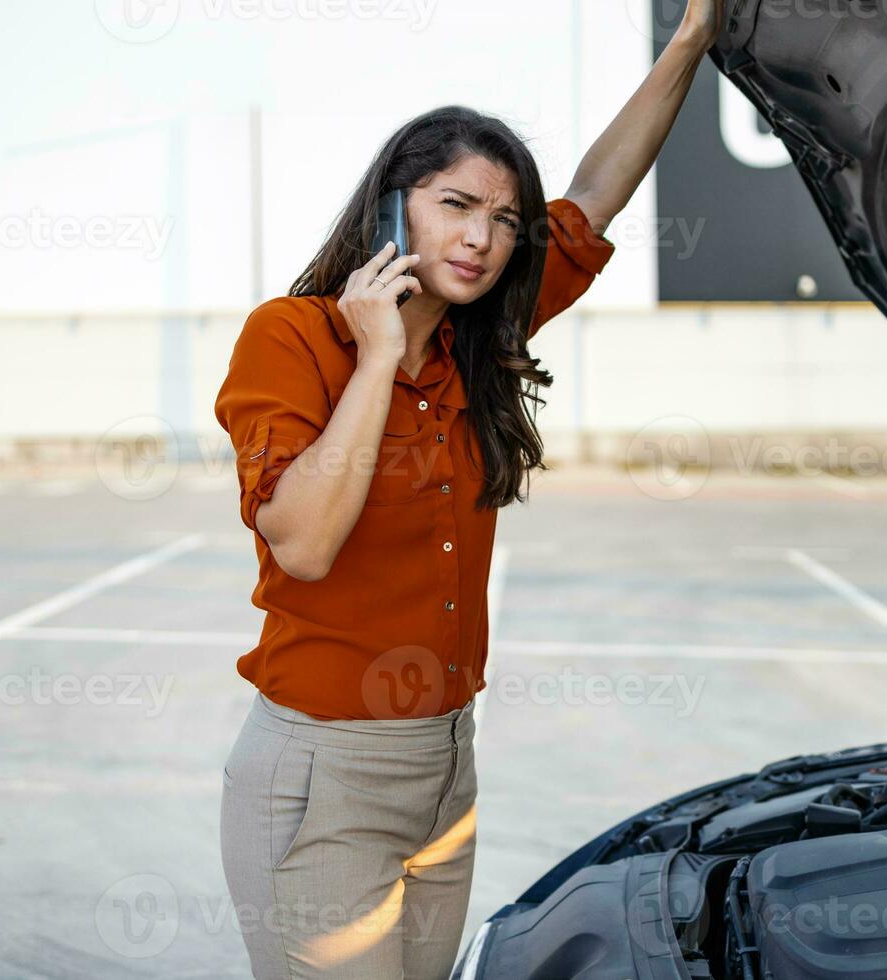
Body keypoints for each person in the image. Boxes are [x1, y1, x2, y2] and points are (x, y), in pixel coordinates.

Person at [214, 5, 723, 976]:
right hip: (326, 778)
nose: (483, 238)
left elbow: (594, 194)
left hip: (445, 770)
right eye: (456, 205)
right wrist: (373, 360)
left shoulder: (472, 340)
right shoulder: (291, 339)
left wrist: (692, 37)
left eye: (501, 220)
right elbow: (305, 542)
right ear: (391, 206)